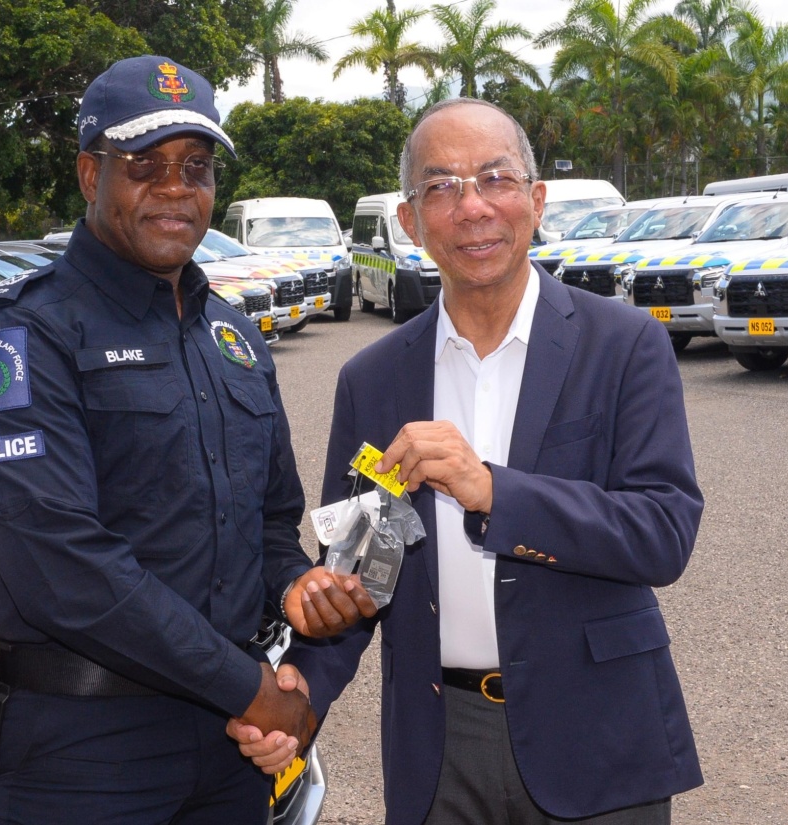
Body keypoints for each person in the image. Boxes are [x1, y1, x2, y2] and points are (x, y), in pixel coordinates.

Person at [0, 55, 372, 825]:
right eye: (145, 164)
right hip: (83, 750)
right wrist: (254, 691)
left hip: (228, 744)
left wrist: (293, 587)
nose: (177, 188)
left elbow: (272, 518)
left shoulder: (232, 334)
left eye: (197, 167)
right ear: (89, 174)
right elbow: (65, 566)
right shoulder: (25, 335)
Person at [266, 98, 705, 824]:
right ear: (409, 221)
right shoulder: (373, 380)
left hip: (595, 735)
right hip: (439, 748)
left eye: (495, 179)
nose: (472, 207)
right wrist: (298, 693)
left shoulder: (624, 345)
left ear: (535, 200)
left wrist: (491, 491)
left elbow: (663, 532)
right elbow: (360, 568)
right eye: (440, 187)